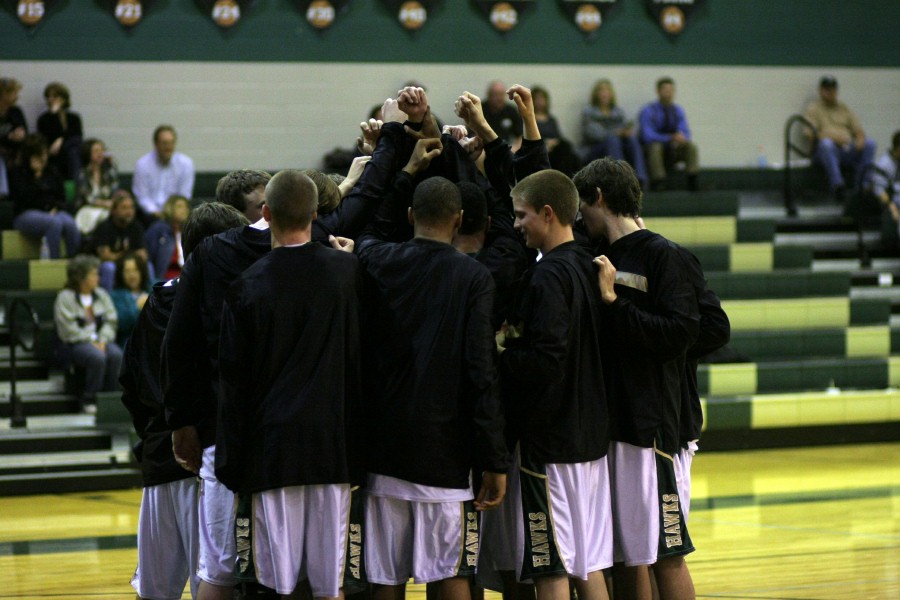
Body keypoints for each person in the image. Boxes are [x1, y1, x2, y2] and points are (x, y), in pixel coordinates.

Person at [355, 151, 510, 600]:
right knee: (451, 575)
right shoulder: (473, 277)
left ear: (409, 216)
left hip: (383, 447)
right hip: (445, 450)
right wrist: (493, 458)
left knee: (384, 577)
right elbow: (481, 371)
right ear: (459, 219)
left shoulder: (377, 259)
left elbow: (369, 231)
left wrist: (403, 173)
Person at [217, 170, 363, 600]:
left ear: (266, 213)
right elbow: (361, 362)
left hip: (272, 450)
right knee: (329, 586)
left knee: (275, 585)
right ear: (317, 215)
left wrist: (232, 461)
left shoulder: (247, 284)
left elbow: (233, 380)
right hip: (332, 446)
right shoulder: (348, 273)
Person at [573, 157, 700, 600]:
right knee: (628, 554)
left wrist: (614, 303)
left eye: (582, 205)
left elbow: (681, 334)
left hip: (653, 429)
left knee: (666, 552)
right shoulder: (593, 254)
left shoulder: (664, 254)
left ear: (600, 198)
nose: (578, 216)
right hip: (612, 424)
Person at [491, 169, 612, 600]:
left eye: (522, 216)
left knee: (550, 567)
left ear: (548, 213)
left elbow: (546, 359)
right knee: (589, 563)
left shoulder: (547, 277)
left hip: (550, 443)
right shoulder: (592, 263)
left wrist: (502, 352)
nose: (517, 225)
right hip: (592, 439)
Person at [120, 202, 250, 600]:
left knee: (154, 590)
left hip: (160, 460)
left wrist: (158, 433)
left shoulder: (155, 301)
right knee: (211, 584)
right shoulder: (223, 303)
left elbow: (129, 383)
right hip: (206, 461)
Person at [53, 254, 122, 413]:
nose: (98, 277)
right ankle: (89, 399)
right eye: (93, 274)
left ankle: (110, 398)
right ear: (81, 277)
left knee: (116, 355)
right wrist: (92, 340)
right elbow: (67, 330)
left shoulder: (101, 295)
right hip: (76, 343)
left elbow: (111, 321)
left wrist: (102, 339)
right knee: (96, 357)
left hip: (101, 341)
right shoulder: (65, 298)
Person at [804, 76, 876, 202]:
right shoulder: (814, 109)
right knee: (826, 144)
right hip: (824, 152)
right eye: (827, 90)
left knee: (870, 144)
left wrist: (860, 138)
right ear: (821, 91)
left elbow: (857, 129)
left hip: (845, 149)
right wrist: (834, 138)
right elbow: (811, 134)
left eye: (833, 89)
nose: (830, 93)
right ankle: (837, 185)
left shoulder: (843, 108)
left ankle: (862, 186)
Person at [8, 134, 80, 258]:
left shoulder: (52, 171)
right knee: (54, 223)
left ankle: (73, 261)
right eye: (38, 155)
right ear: (29, 156)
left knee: (70, 223)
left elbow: (61, 197)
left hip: (52, 211)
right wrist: (36, 177)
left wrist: (56, 208)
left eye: (44, 154)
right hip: (25, 214)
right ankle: (55, 262)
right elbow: (22, 199)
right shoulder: (17, 173)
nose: (43, 158)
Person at [581, 79, 648, 188]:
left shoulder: (618, 111)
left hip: (617, 147)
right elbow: (593, 133)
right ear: (596, 94)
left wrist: (626, 132)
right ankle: (620, 177)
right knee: (613, 139)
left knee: (632, 139)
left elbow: (623, 128)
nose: (604, 94)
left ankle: (640, 177)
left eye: (607, 91)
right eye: (601, 91)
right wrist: (615, 133)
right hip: (595, 148)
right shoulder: (589, 111)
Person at [638, 77, 699, 191]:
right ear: (658, 91)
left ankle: (692, 180)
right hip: (654, 149)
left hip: (673, 148)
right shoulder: (649, 110)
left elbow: (685, 132)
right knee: (656, 147)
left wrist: (681, 138)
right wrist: (669, 138)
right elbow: (647, 135)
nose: (668, 93)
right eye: (665, 90)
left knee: (691, 147)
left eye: (671, 90)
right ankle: (659, 181)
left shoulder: (678, 110)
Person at [132, 125, 195, 222]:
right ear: (156, 144)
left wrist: (172, 212)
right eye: (165, 143)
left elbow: (184, 195)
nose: (168, 147)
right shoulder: (143, 164)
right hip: (150, 215)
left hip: (176, 215)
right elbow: (142, 196)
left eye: (171, 143)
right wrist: (156, 213)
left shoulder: (186, 164)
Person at [91, 190, 147, 290]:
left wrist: (125, 257)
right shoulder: (104, 227)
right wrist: (127, 256)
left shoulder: (136, 226)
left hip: (128, 263)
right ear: (114, 211)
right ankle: (108, 301)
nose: (129, 211)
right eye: (124, 208)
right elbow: (105, 256)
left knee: (148, 266)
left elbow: (142, 254)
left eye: (131, 207)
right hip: (107, 265)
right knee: (109, 268)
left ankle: (148, 299)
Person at [37, 81, 84, 179]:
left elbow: (77, 136)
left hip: (70, 151)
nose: (51, 100)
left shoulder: (73, 118)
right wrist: (54, 116)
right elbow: (48, 138)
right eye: (49, 97)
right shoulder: (44, 119)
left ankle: (75, 184)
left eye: (55, 96)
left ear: (63, 99)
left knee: (73, 149)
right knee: (69, 152)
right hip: (53, 152)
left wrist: (61, 141)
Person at [530, 86, 581, 177]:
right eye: (537, 98)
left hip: (554, 148)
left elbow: (558, 136)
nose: (540, 101)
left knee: (569, 151)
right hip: (540, 149)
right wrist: (545, 143)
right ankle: (563, 178)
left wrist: (553, 142)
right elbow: (529, 137)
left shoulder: (551, 119)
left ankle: (568, 179)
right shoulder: (530, 119)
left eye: (542, 98)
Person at [74, 138, 120, 234]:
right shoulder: (82, 174)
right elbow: (88, 198)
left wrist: (111, 165)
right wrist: (106, 203)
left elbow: (115, 191)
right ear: (88, 154)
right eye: (96, 151)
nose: (100, 154)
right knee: (105, 217)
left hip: (106, 208)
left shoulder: (108, 172)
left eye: (102, 150)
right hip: (88, 209)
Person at [144, 194, 191, 282]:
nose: (184, 210)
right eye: (180, 206)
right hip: (165, 278)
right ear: (170, 208)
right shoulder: (158, 230)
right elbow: (149, 256)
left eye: (186, 207)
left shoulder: (190, 231)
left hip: (187, 278)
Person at [109, 251, 151, 346]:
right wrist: (137, 307)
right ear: (121, 274)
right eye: (127, 271)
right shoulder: (116, 296)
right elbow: (121, 324)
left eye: (135, 270)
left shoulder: (151, 289)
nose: (132, 275)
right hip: (130, 342)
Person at [0, 76, 27, 197]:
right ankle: (3, 194)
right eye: (13, 93)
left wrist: (19, 135)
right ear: (4, 94)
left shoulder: (16, 111)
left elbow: (23, 129)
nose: (16, 96)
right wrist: (8, 136)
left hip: (14, 150)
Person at [870, 130, 900, 228]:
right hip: (891, 202)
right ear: (898, 148)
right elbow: (879, 191)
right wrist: (892, 207)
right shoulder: (884, 165)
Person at [484, 80, 523, 150]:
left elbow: (520, 135)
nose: (499, 98)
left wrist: (515, 148)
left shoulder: (511, 111)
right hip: (484, 147)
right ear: (489, 95)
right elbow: (472, 133)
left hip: (506, 148)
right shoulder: (480, 109)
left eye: (501, 94)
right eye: (495, 94)